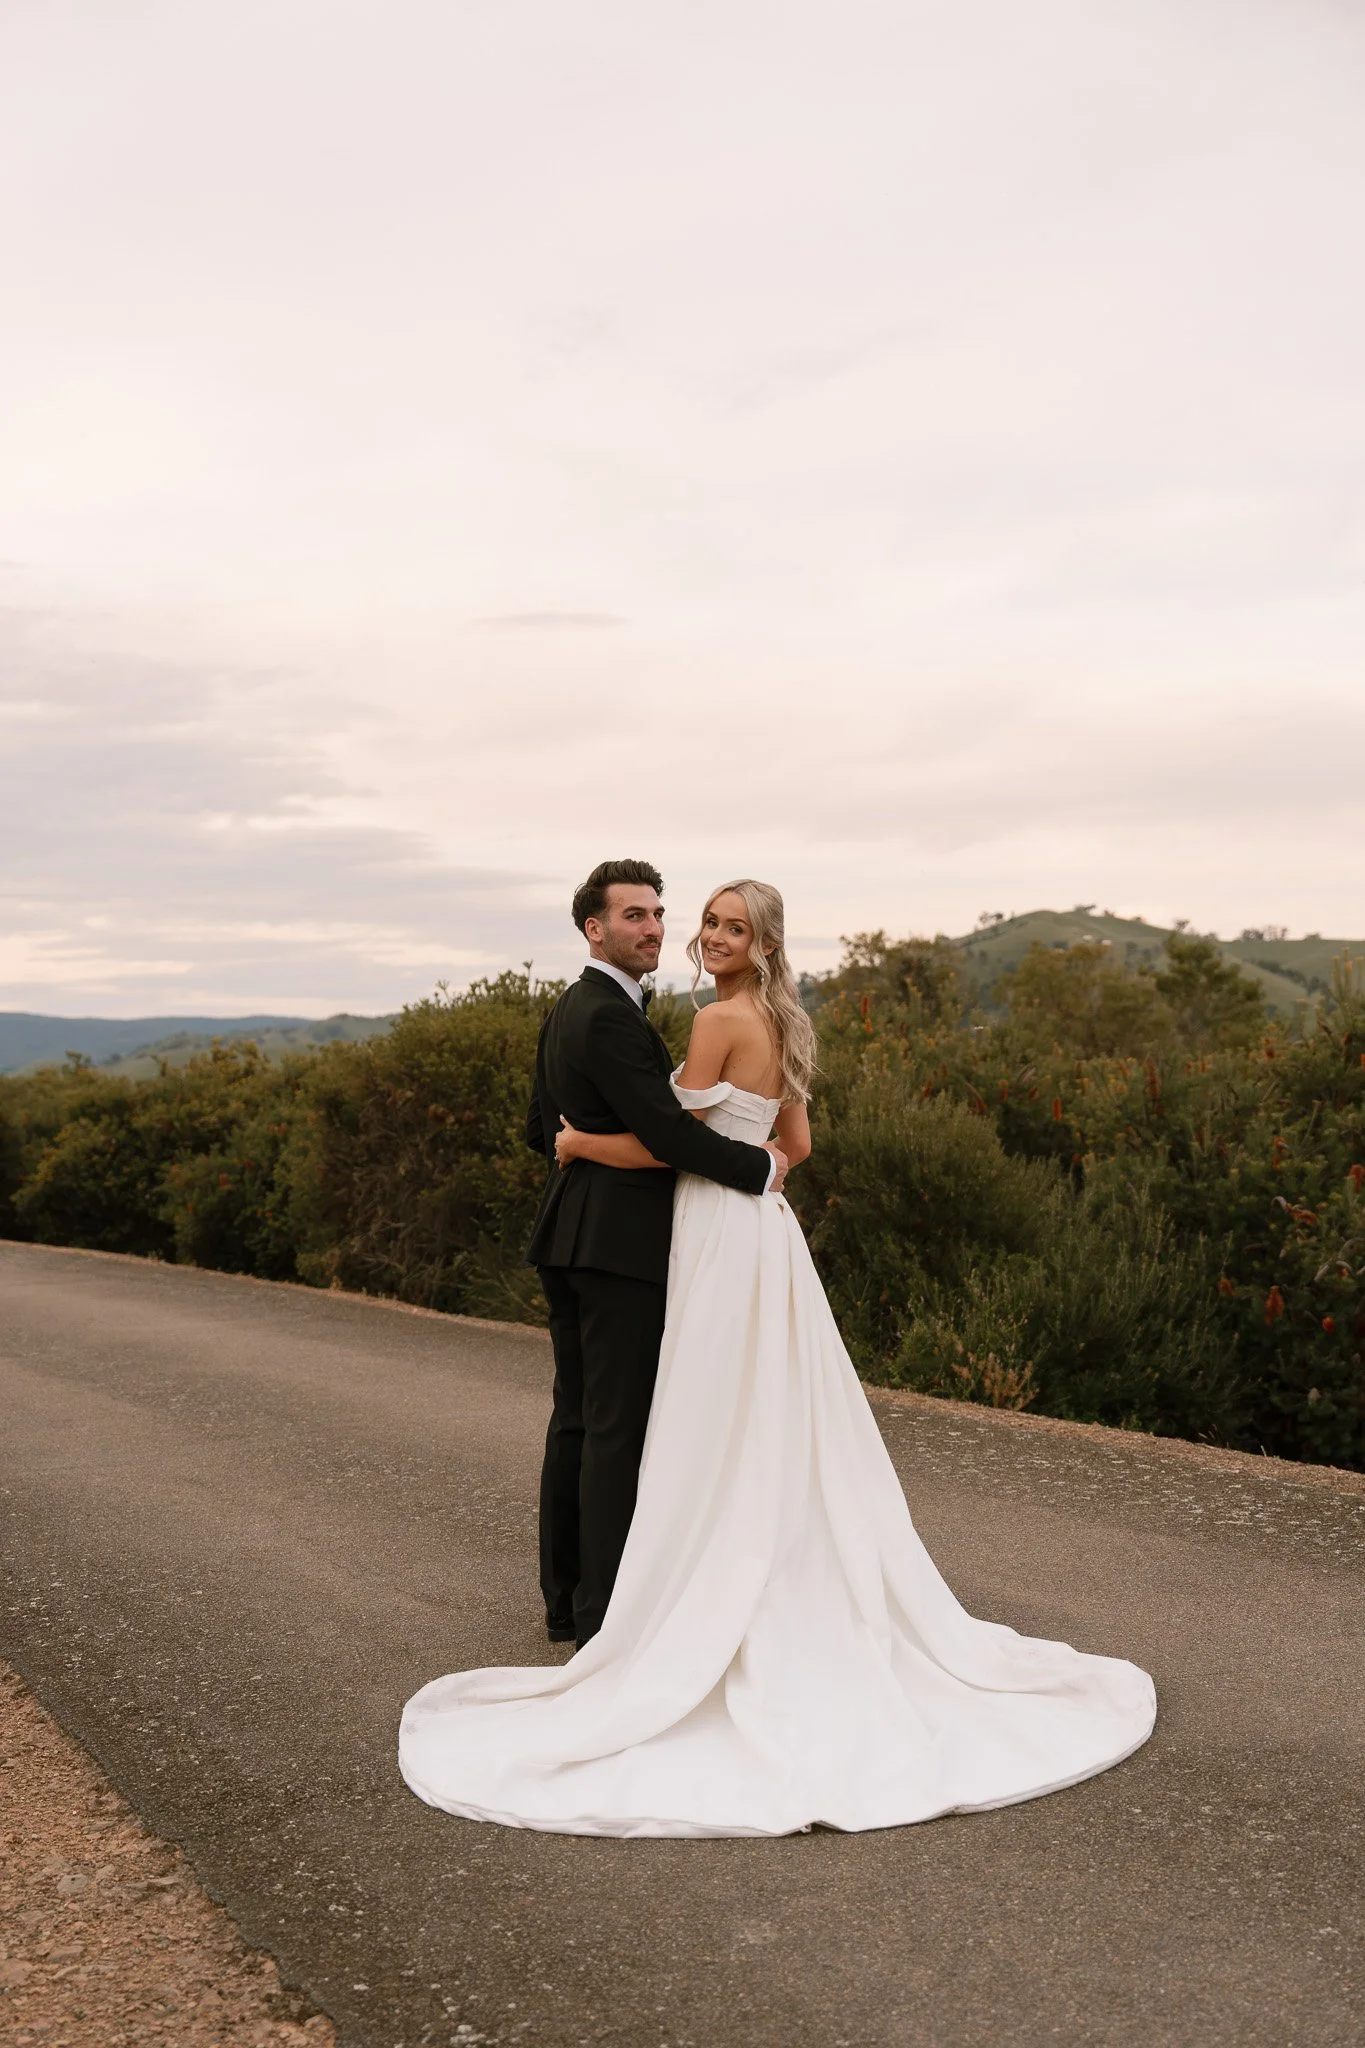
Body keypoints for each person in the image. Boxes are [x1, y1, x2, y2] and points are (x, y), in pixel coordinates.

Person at [399, 879, 1156, 1838]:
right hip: (767, 1234)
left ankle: (660, 1593)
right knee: (763, 1403)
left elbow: (667, 1142)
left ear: (760, 943)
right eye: (705, 923)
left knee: (697, 1407)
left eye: (728, 927)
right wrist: (760, 1167)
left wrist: (579, 1140)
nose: (707, 938)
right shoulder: (786, 1024)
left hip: (714, 1226)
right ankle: (681, 1578)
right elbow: (793, 1140)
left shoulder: (718, 1021)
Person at [523, 859, 785, 1650]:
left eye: (657, 913)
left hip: (571, 1231)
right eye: (633, 915)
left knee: (576, 1421)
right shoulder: (604, 1012)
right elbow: (672, 1136)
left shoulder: (576, 1005)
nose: (653, 928)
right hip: (616, 1243)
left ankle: (566, 1602)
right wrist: (759, 1169)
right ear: (592, 929)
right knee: (614, 1428)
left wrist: (579, 1145)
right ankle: (605, 1617)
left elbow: (542, 1130)